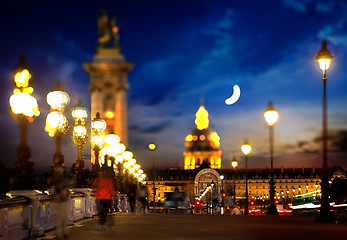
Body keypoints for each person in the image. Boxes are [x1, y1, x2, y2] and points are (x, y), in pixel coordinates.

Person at [52, 166, 71, 240]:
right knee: (62, 218)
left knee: (63, 218)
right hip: (62, 201)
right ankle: (61, 233)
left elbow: (66, 192)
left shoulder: (60, 182)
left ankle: (62, 233)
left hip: (63, 201)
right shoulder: (60, 182)